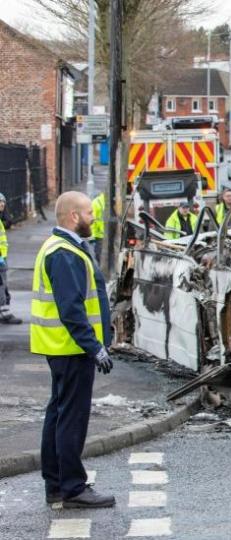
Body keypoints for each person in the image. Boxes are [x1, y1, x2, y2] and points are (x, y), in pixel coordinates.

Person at [31, 191, 115, 508]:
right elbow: (72, 310)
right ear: (74, 217)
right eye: (90, 214)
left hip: (62, 348)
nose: (94, 219)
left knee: (57, 414)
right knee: (72, 418)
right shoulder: (65, 254)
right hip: (72, 349)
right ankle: (73, 488)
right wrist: (95, 347)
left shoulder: (60, 248)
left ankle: (55, 484)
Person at [0, 192, 21, 324]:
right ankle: (4, 313)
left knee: (3, 285)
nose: (2, 205)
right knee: (1, 285)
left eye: (3, 202)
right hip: (0, 258)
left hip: (2, 257)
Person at [90, 192, 105, 261]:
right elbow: (92, 220)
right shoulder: (96, 202)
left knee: (99, 255)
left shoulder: (96, 202)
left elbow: (92, 220)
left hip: (100, 235)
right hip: (100, 235)